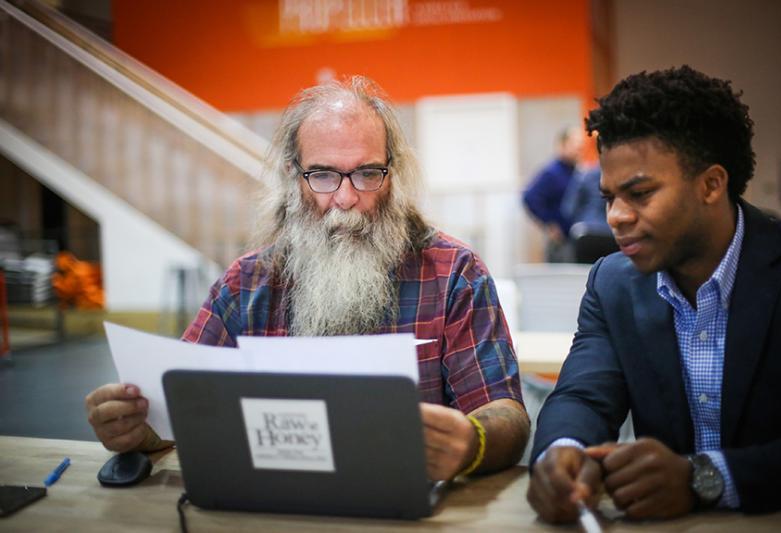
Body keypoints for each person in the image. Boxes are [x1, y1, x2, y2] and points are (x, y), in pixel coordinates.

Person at [85, 76, 530, 482]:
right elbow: (181, 408)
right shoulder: (245, 287)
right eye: (322, 175)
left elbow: (507, 415)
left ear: (393, 175)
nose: (346, 197)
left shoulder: (454, 274)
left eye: (367, 173)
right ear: (293, 178)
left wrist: (471, 442)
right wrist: (137, 427)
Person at [527, 65, 781, 522]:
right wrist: (562, 453)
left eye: (640, 193)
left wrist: (705, 478)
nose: (616, 217)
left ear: (712, 184)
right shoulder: (612, 282)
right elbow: (582, 397)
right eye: (609, 198)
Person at [522, 126, 585, 262]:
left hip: (575, 238)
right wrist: (549, 223)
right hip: (561, 242)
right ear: (562, 145)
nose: (578, 150)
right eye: (574, 145)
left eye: (580, 146)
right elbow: (530, 197)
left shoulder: (576, 171)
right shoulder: (552, 172)